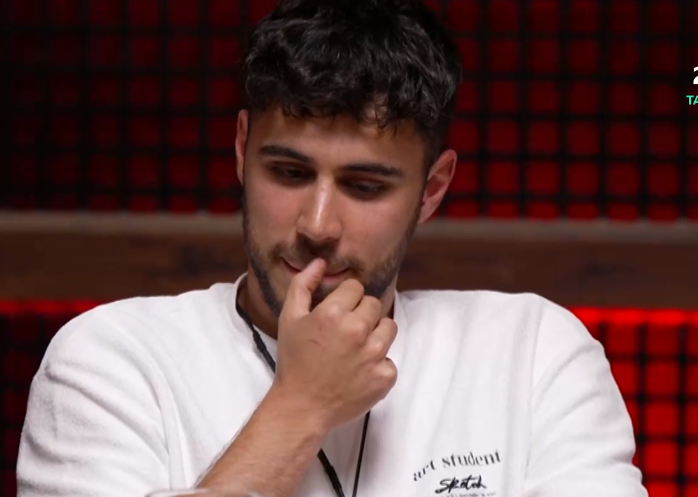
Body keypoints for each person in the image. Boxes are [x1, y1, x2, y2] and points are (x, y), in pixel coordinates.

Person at [17, 0, 647, 496]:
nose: (317, 224)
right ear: (241, 150)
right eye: (288, 173)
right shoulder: (111, 361)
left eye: (364, 186)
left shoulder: (532, 352)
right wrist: (301, 406)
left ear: (431, 190)